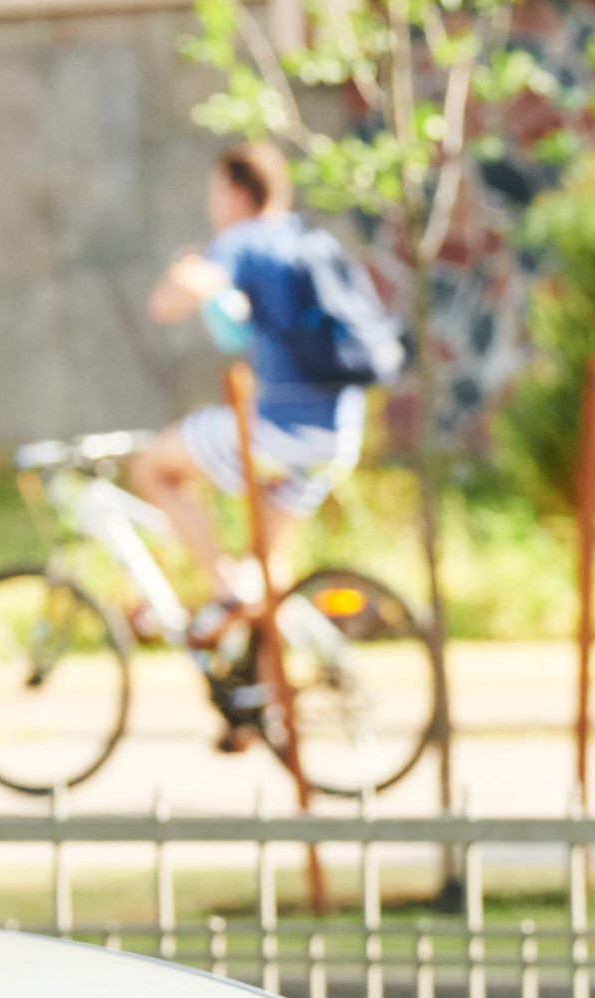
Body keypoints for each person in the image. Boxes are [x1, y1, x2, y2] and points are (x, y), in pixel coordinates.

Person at [130, 142, 386, 710]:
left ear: (233, 192)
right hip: (337, 434)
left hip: (279, 431)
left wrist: (188, 269)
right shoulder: (311, 241)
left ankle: (223, 591)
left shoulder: (243, 241)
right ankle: (266, 702)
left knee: (153, 467)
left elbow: (171, 303)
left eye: (213, 192)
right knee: (270, 573)